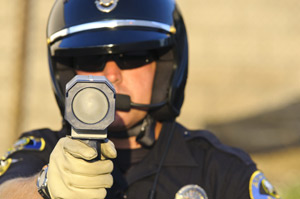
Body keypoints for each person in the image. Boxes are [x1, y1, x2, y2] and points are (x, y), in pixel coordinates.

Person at [0, 0, 281, 198]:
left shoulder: (218, 169)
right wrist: (47, 186)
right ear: (67, 73)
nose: (111, 76)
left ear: (166, 66)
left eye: (133, 57)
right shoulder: (41, 151)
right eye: (91, 59)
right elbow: (8, 190)